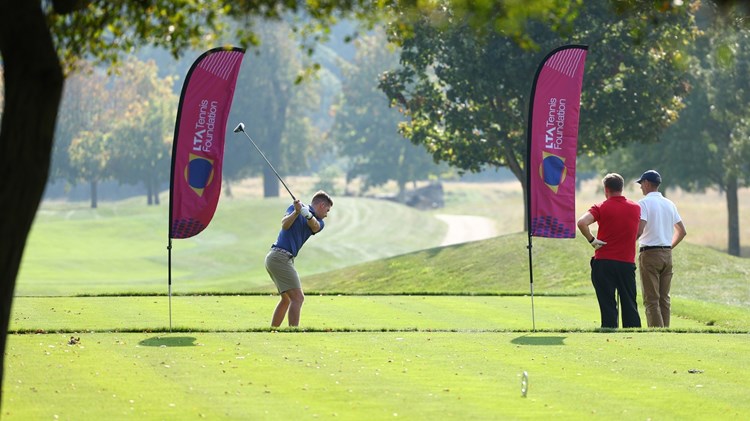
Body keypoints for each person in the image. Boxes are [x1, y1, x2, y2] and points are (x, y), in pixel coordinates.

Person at [577, 173, 642, 329]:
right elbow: (637, 232)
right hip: (626, 263)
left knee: (607, 303)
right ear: (622, 187)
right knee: (629, 302)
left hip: (604, 261)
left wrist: (592, 240)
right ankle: (633, 334)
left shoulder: (600, 207)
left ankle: (609, 330)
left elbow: (581, 223)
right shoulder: (635, 208)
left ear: (606, 189)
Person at [265, 191, 333, 327]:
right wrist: (296, 212)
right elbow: (284, 225)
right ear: (321, 205)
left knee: (286, 299)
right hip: (279, 256)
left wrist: (306, 214)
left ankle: (273, 331)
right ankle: (293, 332)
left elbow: (315, 226)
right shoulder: (294, 208)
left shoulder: (319, 222)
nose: (326, 214)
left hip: (279, 258)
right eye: (327, 210)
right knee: (298, 298)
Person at [636, 170, 687, 328]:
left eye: (641, 184)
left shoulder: (643, 203)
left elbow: (639, 231)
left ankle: (657, 334)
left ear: (646, 183)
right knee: (664, 298)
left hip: (649, 254)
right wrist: (668, 247)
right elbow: (682, 231)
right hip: (667, 254)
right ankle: (666, 331)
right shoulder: (669, 203)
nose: (640, 188)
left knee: (651, 299)